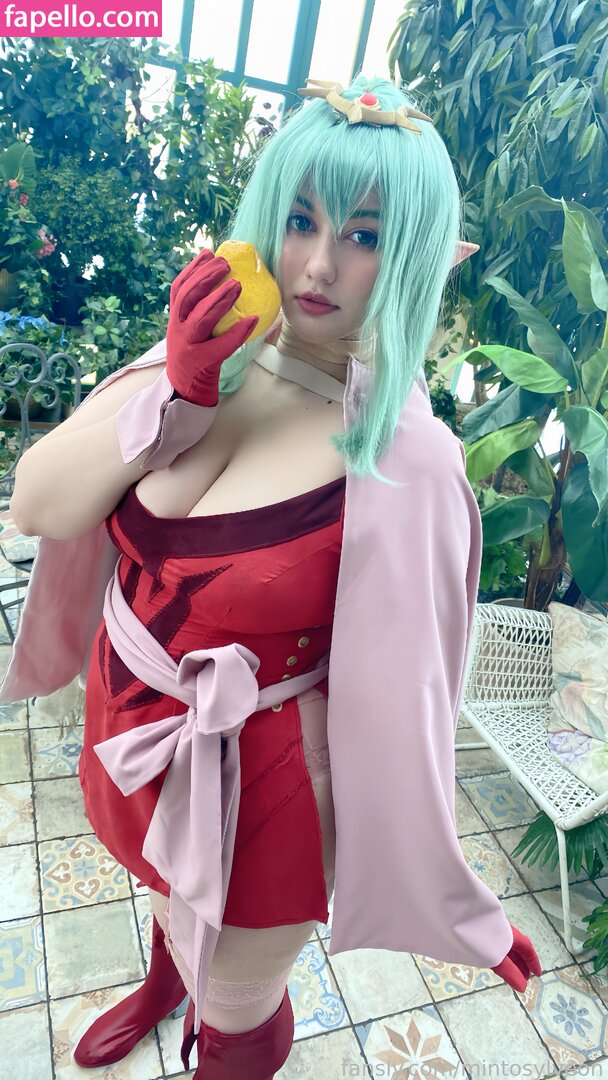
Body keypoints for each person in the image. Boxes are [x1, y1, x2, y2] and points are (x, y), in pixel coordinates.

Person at [4, 74, 541, 1078]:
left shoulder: (409, 459)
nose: (319, 265)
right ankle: (165, 984)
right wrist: (178, 390)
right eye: (301, 220)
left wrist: (454, 900)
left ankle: (216, 1022)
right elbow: (36, 504)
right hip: (129, 724)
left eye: (365, 236)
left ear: (415, 254)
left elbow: (415, 699)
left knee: (239, 1007)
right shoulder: (212, 356)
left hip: (259, 790)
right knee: (158, 897)